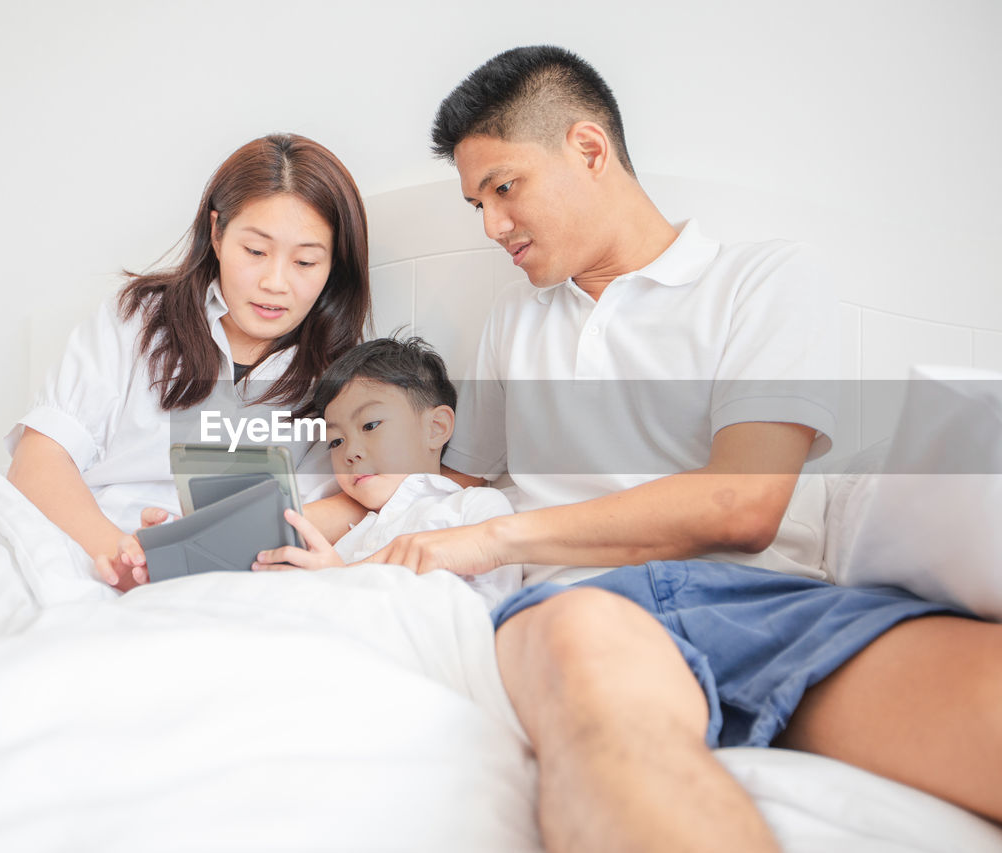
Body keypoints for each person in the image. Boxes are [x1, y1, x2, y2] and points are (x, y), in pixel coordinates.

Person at [346, 46, 1001, 851]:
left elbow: (742, 503)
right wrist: (333, 521)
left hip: (775, 606)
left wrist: (492, 535)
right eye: (476, 202)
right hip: (591, 607)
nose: (491, 226)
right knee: (610, 720)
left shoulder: (764, 280)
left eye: (504, 188)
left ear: (589, 149)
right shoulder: (514, 323)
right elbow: (447, 484)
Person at [5, 133, 370, 592]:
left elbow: (367, 498)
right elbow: (38, 459)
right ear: (217, 232)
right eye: (255, 252)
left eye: (306, 262)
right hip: (86, 548)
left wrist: (204, 545)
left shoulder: (347, 373)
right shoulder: (139, 320)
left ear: (334, 264)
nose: (276, 283)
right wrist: (124, 556)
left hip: (240, 576)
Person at [108, 336, 523, 609]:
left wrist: (340, 584)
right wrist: (180, 552)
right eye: (336, 441)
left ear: (436, 427)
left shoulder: (475, 508)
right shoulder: (344, 538)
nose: (350, 452)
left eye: (370, 426)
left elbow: (481, 614)